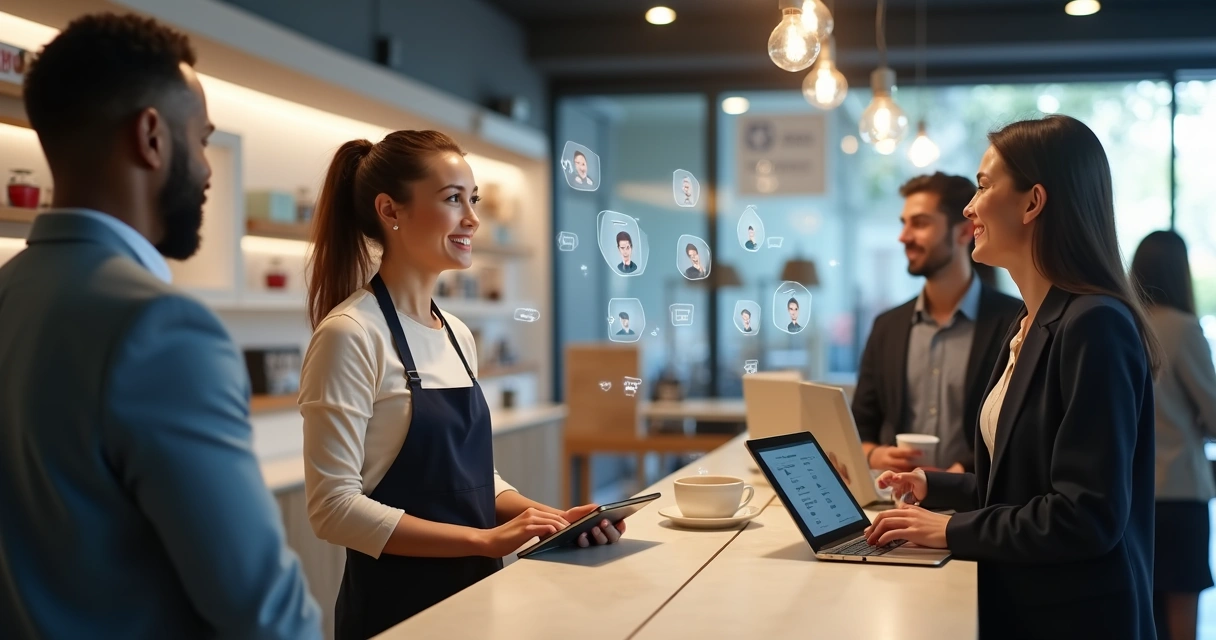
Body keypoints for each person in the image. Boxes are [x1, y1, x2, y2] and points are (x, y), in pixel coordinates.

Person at [0, 13, 321, 639]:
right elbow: (266, 615)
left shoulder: (10, 293)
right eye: (201, 140)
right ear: (151, 136)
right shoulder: (162, 328)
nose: (206, 169)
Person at [300, 129, 625, 639]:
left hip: (477, 601)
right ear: (390, 210)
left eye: (473, 200)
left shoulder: (457, 334)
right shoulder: (350, 334)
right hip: (395, 613)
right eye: (453, 199)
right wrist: (484, 540)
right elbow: (333, 509)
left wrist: (550, 519)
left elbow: (469, 480)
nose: (472, 218)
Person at [866, 115, 1159, 639]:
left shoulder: (1095, 324)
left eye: (982, 187)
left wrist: (950, 528)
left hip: (1074, 620)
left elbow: (1085, 516)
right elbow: (1022, 486)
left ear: (1032, 203)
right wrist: (935, 484)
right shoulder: (1030, 323)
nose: (969, 208)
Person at [852, 172, 1022, 474]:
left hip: (975, 499)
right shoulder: (886, 327)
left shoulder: (1016, 322)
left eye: (919, 223)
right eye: (903, 223)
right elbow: (860, 426)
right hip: (894, 497)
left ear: (964, 231)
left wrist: (960, 474)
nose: (904, 237)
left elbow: (1019, 428)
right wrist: (874, 455)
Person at [1130, 230, 1216, 640]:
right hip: (1179, 495)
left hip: (1132, 496)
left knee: (1140, 617)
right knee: (1181, 623)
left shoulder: (1122, 321)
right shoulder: (1182, 329)